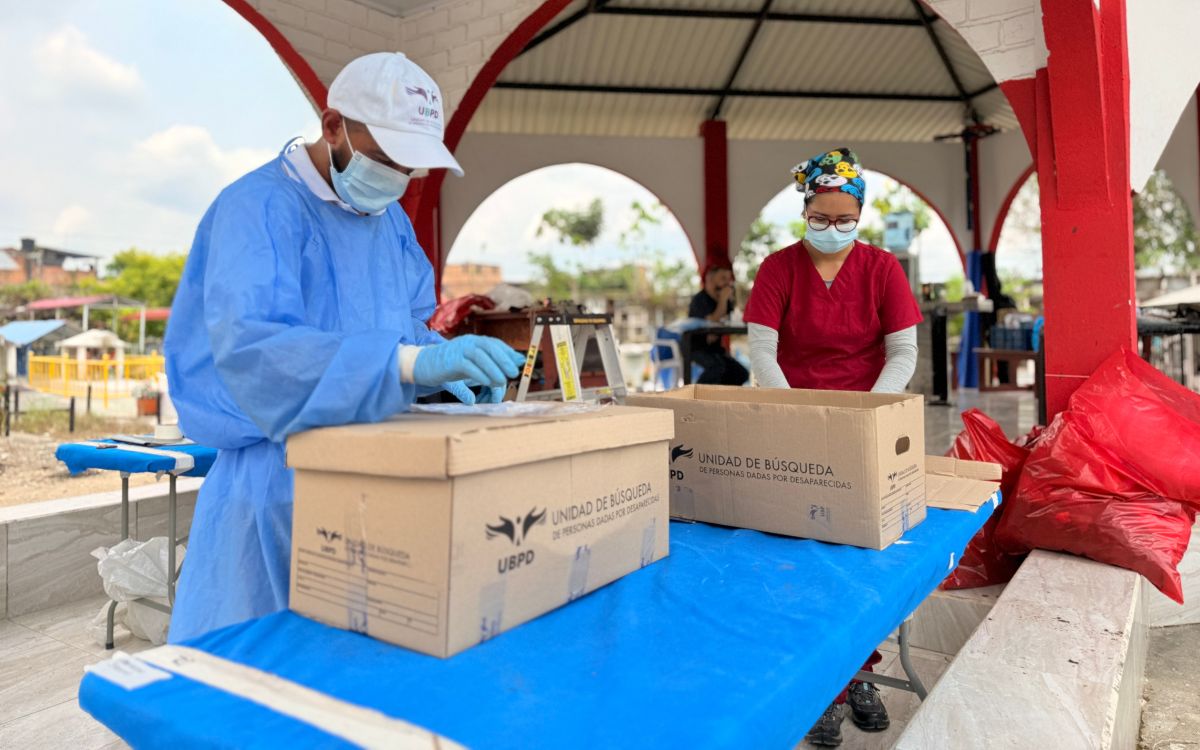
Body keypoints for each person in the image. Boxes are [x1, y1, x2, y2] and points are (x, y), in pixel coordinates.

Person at [163, 53, 524, 643]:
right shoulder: (256, 209)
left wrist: (442, 363)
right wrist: (409, 364)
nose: (396, 179)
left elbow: (404, 324)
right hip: (276, 483)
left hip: (374, 473)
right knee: (259, 686)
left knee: (357, 683)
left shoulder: (387, 222)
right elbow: (255, 351)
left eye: (410, 168)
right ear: (333, 127)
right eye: (385, 160)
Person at [743, 147, 922, 747]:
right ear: (805, 211)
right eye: (822, 217)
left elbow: (903, 353)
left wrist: (866, 411)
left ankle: (858, 675)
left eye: (846, 219)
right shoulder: (777, 268)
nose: (833, 228)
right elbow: (762, 350)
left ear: (861, 215)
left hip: (863, 422)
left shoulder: (882, 270)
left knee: (860, 553)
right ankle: (818, 683)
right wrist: (799, 410)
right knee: (798, 549)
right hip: (791, 418)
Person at [687, 265, 749, 386]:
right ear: (710, 280)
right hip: (696, 348)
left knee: (741, 373)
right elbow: (713, 321)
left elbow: (730, 319)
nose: (727, 283)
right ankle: (695, 396)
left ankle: (721, 397)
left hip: (715, 350)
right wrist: (723, 300)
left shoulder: (725, 300)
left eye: (729, 279)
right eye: (723, 278)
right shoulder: (700, 300)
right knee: (717, 367)